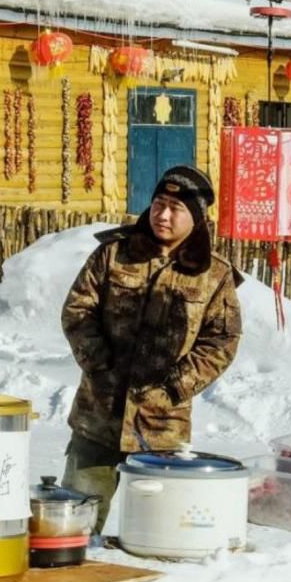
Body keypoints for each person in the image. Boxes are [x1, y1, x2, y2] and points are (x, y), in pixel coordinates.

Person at [60, 166, 243, 530]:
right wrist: (98, 363)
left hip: (162, 425)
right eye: (159, 203)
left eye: (176, 208)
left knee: (160, 528)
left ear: (196, 217)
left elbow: (222, 340)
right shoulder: (113, 254)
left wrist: (176, 385)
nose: (163, 215)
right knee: (75, 521)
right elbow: (78, 310)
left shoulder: (213, 274)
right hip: (99, 415)